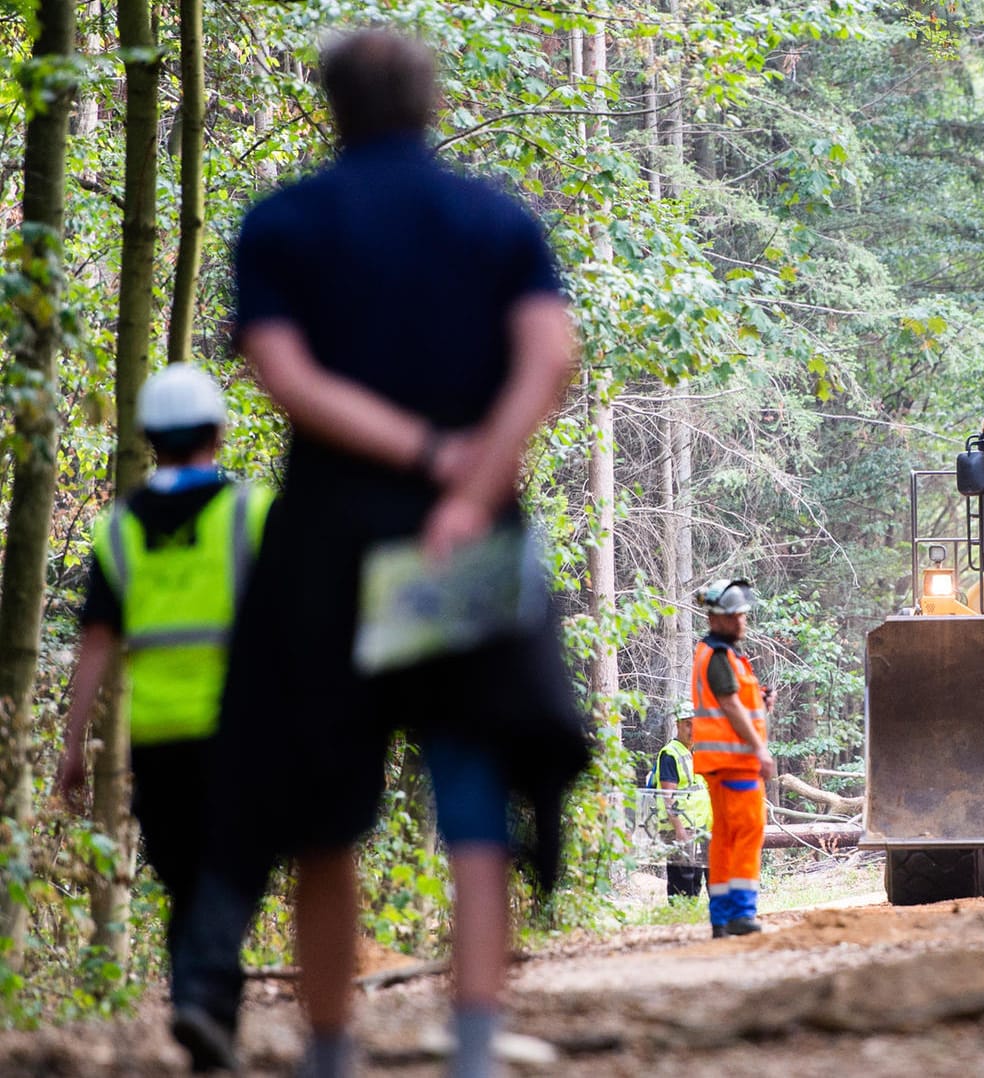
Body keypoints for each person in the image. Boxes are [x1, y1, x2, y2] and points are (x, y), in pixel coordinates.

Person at [180, 30, 589, 1078]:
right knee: (472, 785)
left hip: (330, 541)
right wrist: (471, 482)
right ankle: (478, 1044)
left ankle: (326, 1053)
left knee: (324, 802)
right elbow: (552, 355)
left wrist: (416, 451)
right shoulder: (497, 220)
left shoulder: (281, 224)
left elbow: (279, 370)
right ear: (429, 104)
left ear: (333, 108)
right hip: (465, 537)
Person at [52, 365, 272, 1072]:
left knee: (183, 877)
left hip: (156, 736)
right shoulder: (251, 513)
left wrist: (72, 744)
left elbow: (95, 645)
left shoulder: (118, 530)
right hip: (237, 732)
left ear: (148, 440)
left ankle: (204, 1024)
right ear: (217, 432)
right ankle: (203, 1000)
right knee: (231, 874)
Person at [689, 579, 775, 938]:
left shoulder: (719, 654)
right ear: (715, 619)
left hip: (721, 764)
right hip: (734, 763)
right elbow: (730, 705)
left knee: (725, 837)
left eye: (742, 614)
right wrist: (759, 748)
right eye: (733, 615)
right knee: (747, 831)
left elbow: (739, 704)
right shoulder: (720, 656)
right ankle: (741, 913)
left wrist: (764, 704)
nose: (741, 621)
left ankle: (722, 917)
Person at [652, 703, 711, 899]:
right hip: (680, 828)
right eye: (687, 724)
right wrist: (679, 829)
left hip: (699, 827)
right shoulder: (670, 754)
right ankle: (679, 918)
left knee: (695, 878)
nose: (692, 730)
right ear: (677, 724)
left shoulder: (693, 752)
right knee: (682, 879)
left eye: (696, 724)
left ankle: (689, 919)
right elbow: (667, 797)